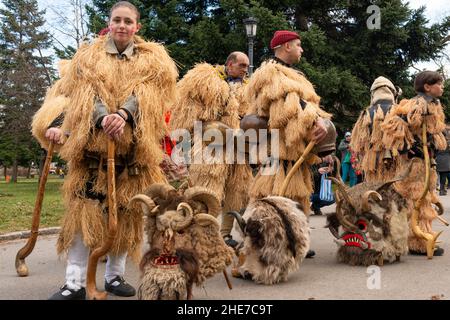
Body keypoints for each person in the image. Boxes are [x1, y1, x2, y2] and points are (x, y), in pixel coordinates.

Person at [31, 1, 178, 299]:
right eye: (117, 20)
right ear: (109, 23)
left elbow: (147, 94)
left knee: (124, 221)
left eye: (128, 21)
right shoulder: (89, 57)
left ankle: (114, 277)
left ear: (137, 26)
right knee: (82, 221)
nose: (122, 26)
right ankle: (73, 283)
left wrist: (123, 114)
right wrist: (100, 117)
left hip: (133, 160)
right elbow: (83, 94)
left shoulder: (153, 61)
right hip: (91, 159)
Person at [244, 30, 333, 258]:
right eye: (298, 45)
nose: (302, 49)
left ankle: (295, 239)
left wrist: (318, 123)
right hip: (276, 149)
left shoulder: (296, 75)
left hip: (294, 150)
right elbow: (287, 106)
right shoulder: (271, 73)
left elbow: (306, 103)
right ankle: (267, 241)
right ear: (286, 46)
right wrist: (314, 119)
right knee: (272, 194)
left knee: (298, 196)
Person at [170, 52, 253, 248]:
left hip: (238, 146)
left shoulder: (248, 89)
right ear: (229, 64)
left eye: (247, 66)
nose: (245, 70)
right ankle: (196, 234)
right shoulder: (206, 79)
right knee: (207, 191)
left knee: (236, 191)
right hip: (210, 144)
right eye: (242, 65)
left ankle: (224, 234)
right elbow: (185, 112)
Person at [382, 70, 446, 256]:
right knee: (416, 199)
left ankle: (422, 235)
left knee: (424, 198)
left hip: (427, 161)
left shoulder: (434, 105)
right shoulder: (416, 105)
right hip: (415, 163)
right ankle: (417, 241)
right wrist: (409, 148)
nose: (442, 87)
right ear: (427, 86)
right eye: (439, 84)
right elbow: (396, 125)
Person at [351, 76, 401, 183]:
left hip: (373, 159)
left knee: (375, 188)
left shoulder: (367, 113)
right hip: (396, 157)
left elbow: (359, 142)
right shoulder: (399, 111)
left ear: (374, 93)